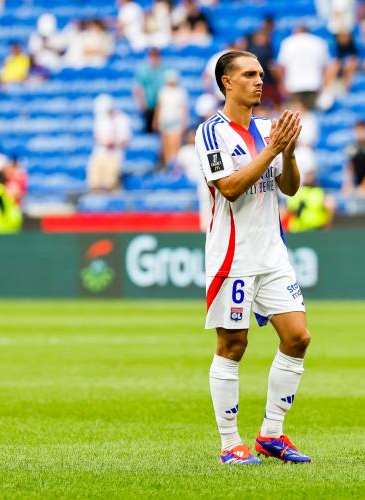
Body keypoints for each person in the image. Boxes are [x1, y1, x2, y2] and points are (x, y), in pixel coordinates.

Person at [194, 50, 312, 465]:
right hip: (234, 256)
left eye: (261, 74)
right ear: (228, 82)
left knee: (297, 337)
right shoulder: (211, 133)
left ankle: (271, 434)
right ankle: (230, 444)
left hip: (272, 253)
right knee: (233, 344)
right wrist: (272, 151)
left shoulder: (268, 127)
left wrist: (290, 153)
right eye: (249, 74)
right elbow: (229, 187)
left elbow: (291, 188)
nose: (259, 81)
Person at [276, 25, 335, 109]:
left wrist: (281, 83)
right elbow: (327, 66)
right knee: (311, 113)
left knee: (296, 115)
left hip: (294, 85)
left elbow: (281, 67)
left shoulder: (288, 42)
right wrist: (325, 84)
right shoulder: (319, 42)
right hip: (314, 84)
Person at [87, 94, 131, 192]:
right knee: (95, 183)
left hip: (114, 154)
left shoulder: (122, 119)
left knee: (110, 184)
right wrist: (103, 142)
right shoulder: (100, 119)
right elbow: (96, 137)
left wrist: (114, 143)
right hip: (100, 153)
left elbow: (125, 140)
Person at [285, 161, 335, 232]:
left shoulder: (320, 191)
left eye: (311, 174)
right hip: (298, 230)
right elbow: (288, 210)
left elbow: (329, 207)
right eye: (307, 174)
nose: (309, 177)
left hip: (316, 230)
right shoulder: (297, 191)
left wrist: (326, 227)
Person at [155, 69, 189, 168]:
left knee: (175, 145)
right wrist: (156, 121)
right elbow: (159, 107)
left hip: (176, 121)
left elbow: (184, 109)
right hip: (165, 120)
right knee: (166, 145)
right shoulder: (163, 91)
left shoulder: (180, 91)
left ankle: (175, 168)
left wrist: (184, 123)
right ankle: (168, 166)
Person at [343, 118, 365, 213]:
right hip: (355, 187)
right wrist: (347, 184)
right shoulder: (351, 147)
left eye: (362, 130)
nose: (360, 133)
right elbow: (349, 167)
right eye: (358, 130)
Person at [133, 47, 167, 134]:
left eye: (156, 56)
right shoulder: (144, 70)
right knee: (149, 129)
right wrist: (141, 103)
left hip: (160, 105)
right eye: (152, 56)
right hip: (148, 105)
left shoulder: (163, 70)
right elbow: (138, 88)